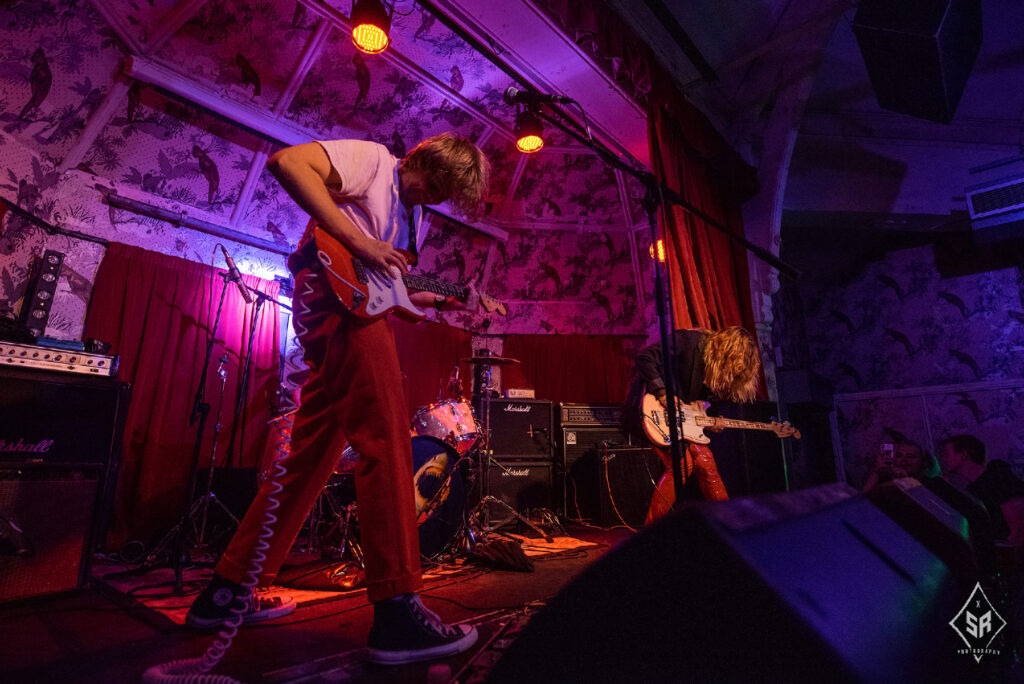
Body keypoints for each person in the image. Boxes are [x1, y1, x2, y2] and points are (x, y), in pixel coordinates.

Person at [185, 132, 490, 666]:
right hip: (339, 306)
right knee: (385, 439)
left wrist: (460, 296)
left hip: (357, 308)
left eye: (443, 194)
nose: (431, 196)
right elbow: (288, 163)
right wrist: (362, 242)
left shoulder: (410, 218)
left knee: (309, 456)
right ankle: (396, 611)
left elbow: (401, 288)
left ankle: (228, 588)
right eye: (432, 182)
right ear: (420, 158)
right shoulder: (374, 160)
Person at [624, 327, 761, 524]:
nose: (728, 377)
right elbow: (645, 358)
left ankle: (729, 522)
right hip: (649, 410)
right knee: (683, 464)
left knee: (706, 463)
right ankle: (651, 530)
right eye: (729, 369)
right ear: (725, 353)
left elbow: (696, 402)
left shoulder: (711, 372)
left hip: (681, 423)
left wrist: (711, 417)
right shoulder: (687, 341)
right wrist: (662, 393)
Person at [942, 434, 1024, 541]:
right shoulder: (973, 490)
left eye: (947, 454)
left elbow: (1017, 515)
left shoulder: (997, 476)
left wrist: (1007, 551)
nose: (944, 459)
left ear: (963, 455)